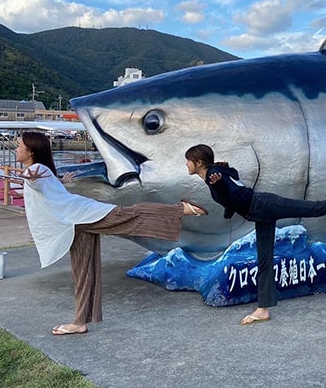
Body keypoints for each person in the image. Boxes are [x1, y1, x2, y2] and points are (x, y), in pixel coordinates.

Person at [15, 131, 207, 336]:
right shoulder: (42, 171)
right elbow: (45, 184)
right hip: (75, 223)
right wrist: (58, 180)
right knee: (82, 271)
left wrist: (27, 176)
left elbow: (34, 177)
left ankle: (181, 209)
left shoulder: (36, 169)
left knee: (130, 215)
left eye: (19, 145)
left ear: (31, 151)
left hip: (84, 216)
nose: (16, 149)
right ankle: (79, 322)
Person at [184, 144, 326, 325]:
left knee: (315, 208)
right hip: (259, 212)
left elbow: (234, 192)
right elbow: (233, 183)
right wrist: (224, 190)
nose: (186, 164)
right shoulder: (215, 175)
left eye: (188, 160)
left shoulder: (213, 175)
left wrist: (219, 180)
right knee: (264, 260)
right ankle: (263, 309)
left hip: (263, 205)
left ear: (199, 162)